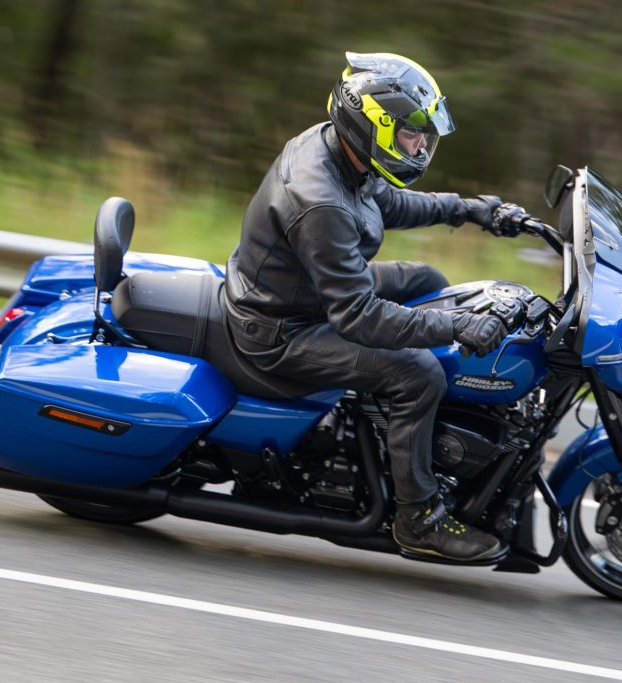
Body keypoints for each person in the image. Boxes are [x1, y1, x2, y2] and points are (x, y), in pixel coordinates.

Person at [223, 52, 531, 562]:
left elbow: (386, 204)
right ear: (376, 123)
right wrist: (456, 327)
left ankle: (409, 432)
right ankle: (419, 517)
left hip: (309, 293)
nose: (420, 144)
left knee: (427, 279)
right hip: (283, 328)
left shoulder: (342, 151)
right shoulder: (319, 199)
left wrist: (468, 209)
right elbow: (358, 316)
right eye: (413, 133)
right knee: (418, 375)